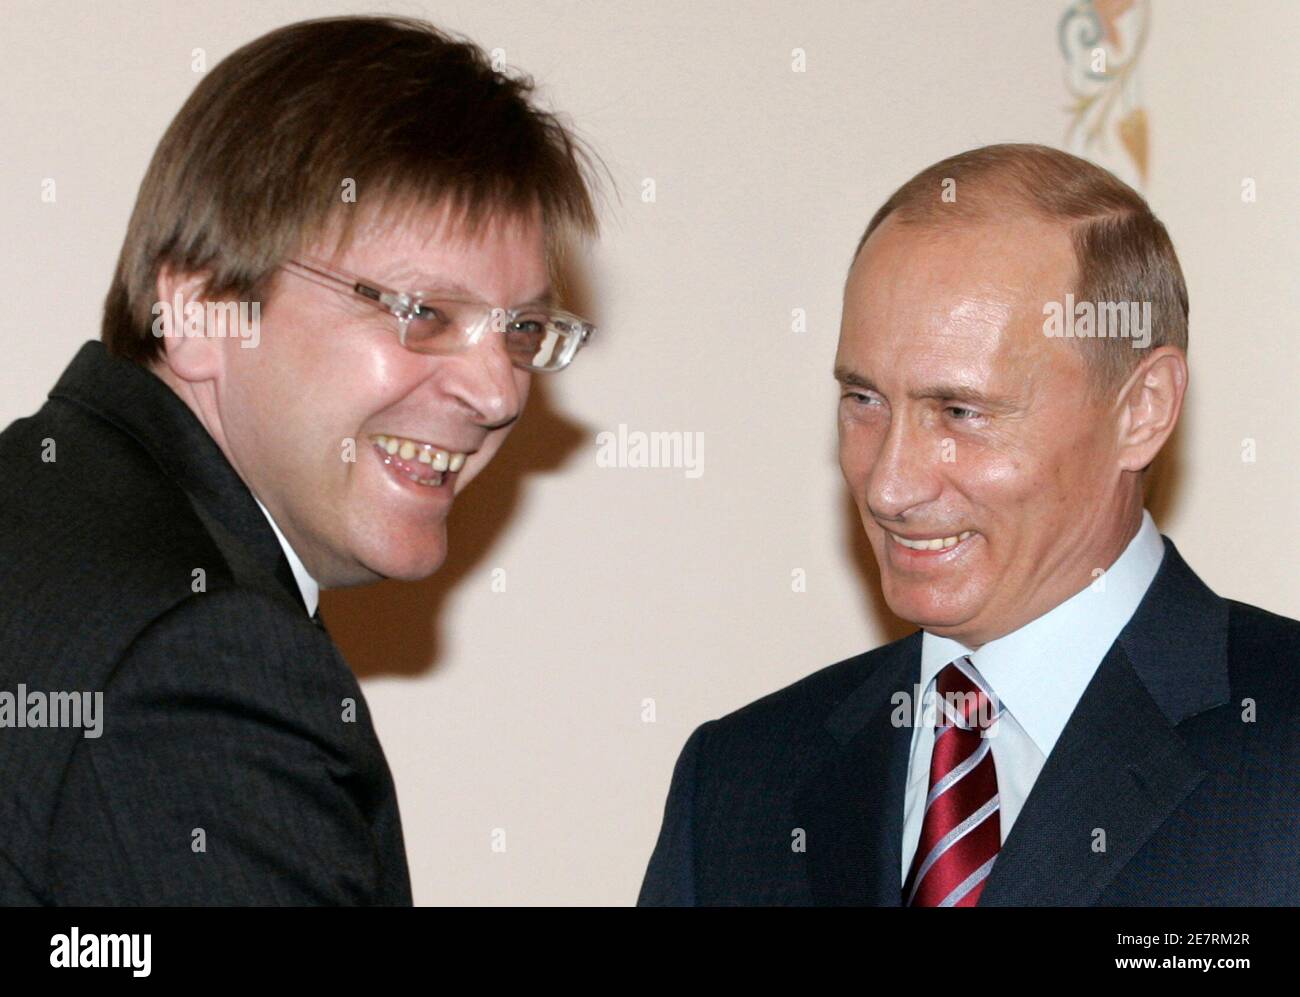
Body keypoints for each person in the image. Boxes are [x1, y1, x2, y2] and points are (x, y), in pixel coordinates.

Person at [0, 15, 599, 904]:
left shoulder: (42, 512)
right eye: (423, 312)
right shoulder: (196, 660)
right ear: (201, 309)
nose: (500, 392)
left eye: (520, 331)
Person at [638, 143, 1299, 907]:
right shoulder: (738, 782)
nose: (889, 484)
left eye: (961, 412)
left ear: (1142, 408)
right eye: (864, 401)